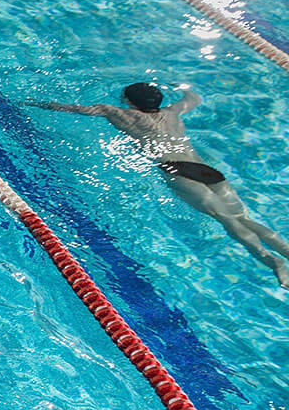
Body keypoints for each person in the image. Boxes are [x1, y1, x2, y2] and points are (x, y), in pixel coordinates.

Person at [32, 82, 289, 287]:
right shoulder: (172, 112)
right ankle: (285, 251)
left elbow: (71, 108)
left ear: (130, 101)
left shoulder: (119, 113)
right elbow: (193, 99)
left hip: (176, 170)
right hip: (207, 170)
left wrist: (34, 103)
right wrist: (183, 86)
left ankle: (272, 261)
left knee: (226, 219)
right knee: (242, 216)